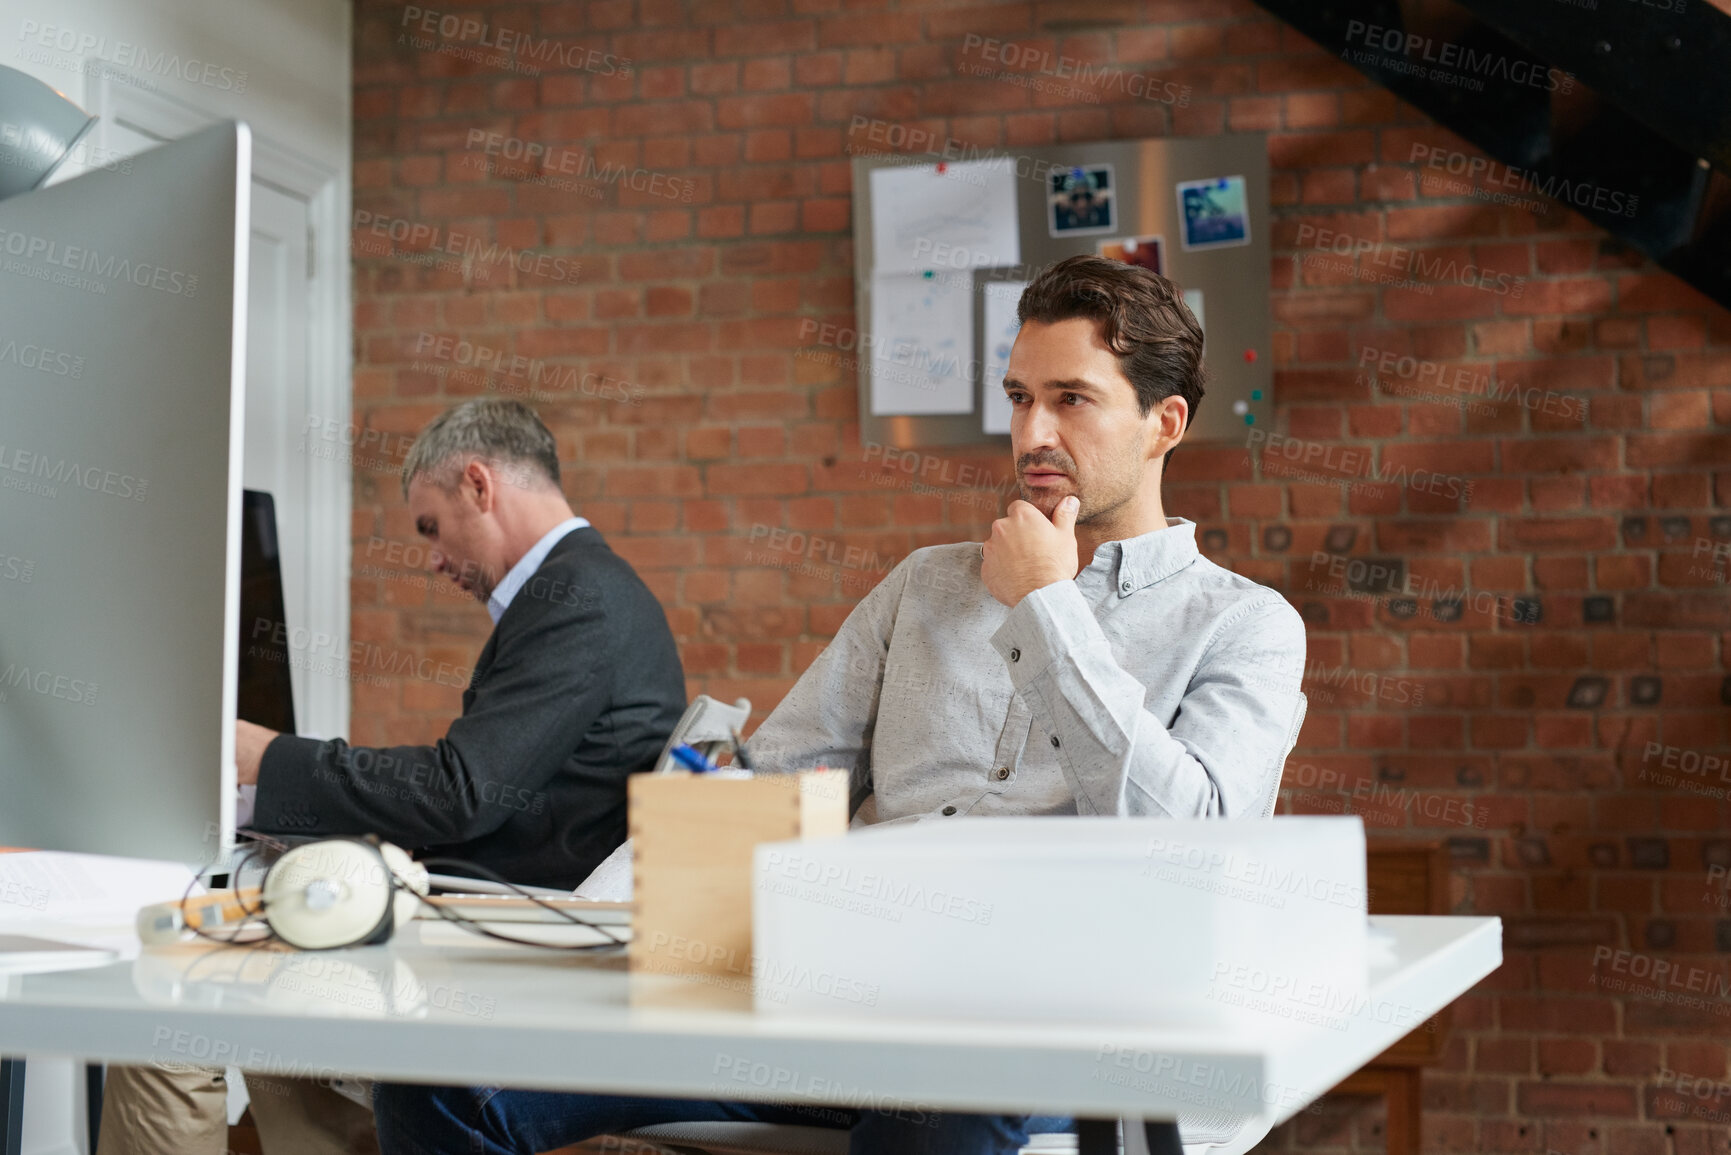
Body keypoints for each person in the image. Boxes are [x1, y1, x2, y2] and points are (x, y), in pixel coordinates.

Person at [372, 255, 1309, 1155]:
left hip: (1043, 1015)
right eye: (1020, 397)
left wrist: (1045, 608)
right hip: (843, 983)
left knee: (945, 1078)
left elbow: (1187, 849)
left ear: (1165, 423)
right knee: (441, 1072)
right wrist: (582, 937)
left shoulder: (1243, 625)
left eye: (1072, 399)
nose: (1031, 435)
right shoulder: (924, 585)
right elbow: (769, 779)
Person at [99, 398, 687, 1155]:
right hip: (498, 919)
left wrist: (265, 760)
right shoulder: (584, 590)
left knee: (169, 986)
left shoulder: (577, 598)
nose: (433, 559)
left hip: (509, 942)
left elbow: (460, 792)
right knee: (273, 1019)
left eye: (430, 527)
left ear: (479, 484)